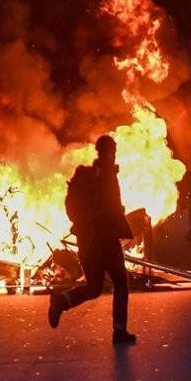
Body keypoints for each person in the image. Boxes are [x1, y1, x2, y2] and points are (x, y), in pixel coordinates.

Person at [48, 135, 137, 345]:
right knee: (119, 283)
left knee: (95, 287)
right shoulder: (100, 177)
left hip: (91, 241)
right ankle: (119, 331)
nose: (114, 155)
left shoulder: (98, 176)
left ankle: (61, 301)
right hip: (102, 240)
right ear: (104, 152)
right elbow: (107, 208)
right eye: (111, 152)